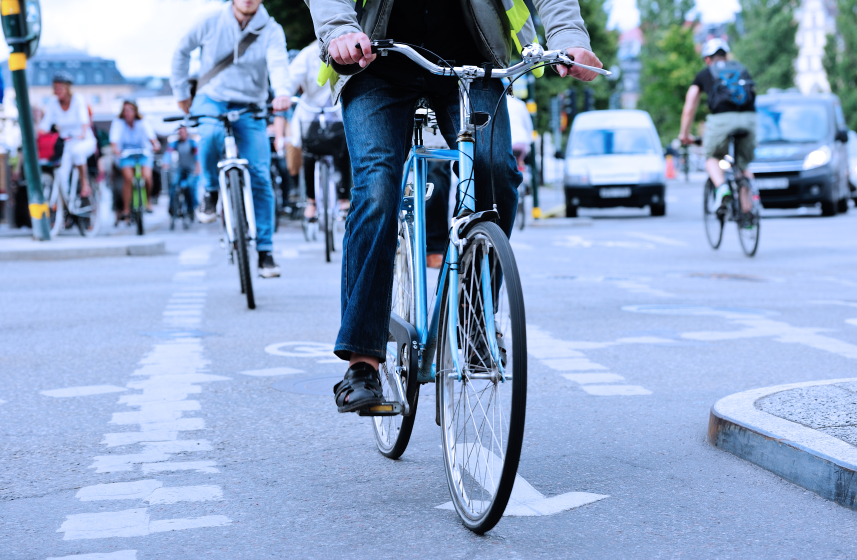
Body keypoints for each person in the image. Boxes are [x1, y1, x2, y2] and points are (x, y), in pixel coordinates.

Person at [307, 0, 602, 413]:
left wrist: (569, 38)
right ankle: (362, 361)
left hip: (472, 64)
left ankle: (474, 317)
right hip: (376, 62)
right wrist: (339, 29)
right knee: (376, 190)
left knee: (496, 173)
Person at [170, 0, 291, 279]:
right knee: (211, 133)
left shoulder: (271, 29)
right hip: (211, 98)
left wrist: (282, 91)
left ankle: (265, 252)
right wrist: (180, 93)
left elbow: (278, 62)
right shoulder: (210, 20)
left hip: (250, 103)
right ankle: (211, 191)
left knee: (260, 173)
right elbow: (181, 51)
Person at [679, 38, 757, 213]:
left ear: (707, 59)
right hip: (750, 119)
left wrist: (684, 134)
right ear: (726, 56)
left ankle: (722, 188)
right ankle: (750, 209)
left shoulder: (704, 74)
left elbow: (690, 106)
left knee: (712, 157)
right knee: (743, 165)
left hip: (722, 120)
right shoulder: (741, 69)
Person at [287, 41, 351, 219]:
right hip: (311, 111)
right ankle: (311, 202)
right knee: (308, 151)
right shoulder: (308, 54)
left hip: (337, 108)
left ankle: (343, 200)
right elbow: (291, 79)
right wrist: (284, 95)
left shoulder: (348, 45)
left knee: (343, 150)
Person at [39, 72, 97, 198]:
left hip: (83, 140)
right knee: (61, 173)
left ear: (67, 88)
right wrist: (35, 136)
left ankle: (84, 184)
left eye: (60, 87)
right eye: (55, 88)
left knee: (77, 153)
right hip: (65, 143)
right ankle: (62, 206)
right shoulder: (53, 103)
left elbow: (84, 120)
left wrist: (81, 134)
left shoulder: (78, 99)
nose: (57, 90)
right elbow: (45, 125)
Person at [110, 100, 160, 223]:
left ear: (135, 111)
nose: (127, 113)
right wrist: (116, 150)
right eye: (125, 110)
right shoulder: (118, 123)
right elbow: (114, 141)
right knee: (128, 179)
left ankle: (147, 201)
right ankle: (126, 208)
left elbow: (152, 138)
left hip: (143, 153)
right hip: (126, 155)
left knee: (147, 177)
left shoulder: (143, 122)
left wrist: (155, 145)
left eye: (130, 110)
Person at [166, 126, 200, 214]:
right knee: (173, 184)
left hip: (191, 169)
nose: (181, 134)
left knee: (190, 186)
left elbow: (197, 156)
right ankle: (172, 208)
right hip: (181, 168)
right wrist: (165, 162)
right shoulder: (176, 143)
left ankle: (191, 208)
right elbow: (168, 152)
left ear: (186, 133)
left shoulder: (192, 143)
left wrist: (198, 167)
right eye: (179, 133)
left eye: (183, 132)